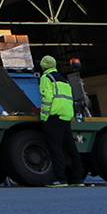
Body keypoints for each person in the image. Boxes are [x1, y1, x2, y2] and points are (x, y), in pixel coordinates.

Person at [38, 55, 84, 187]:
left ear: (43, 66)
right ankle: (77, 179)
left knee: (55, 148)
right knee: (71, 148)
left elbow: (47, 98)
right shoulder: (64, 79)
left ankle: (61, 179)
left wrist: (44, 116)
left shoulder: (46, 78)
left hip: (54, 115)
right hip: (66, 115)